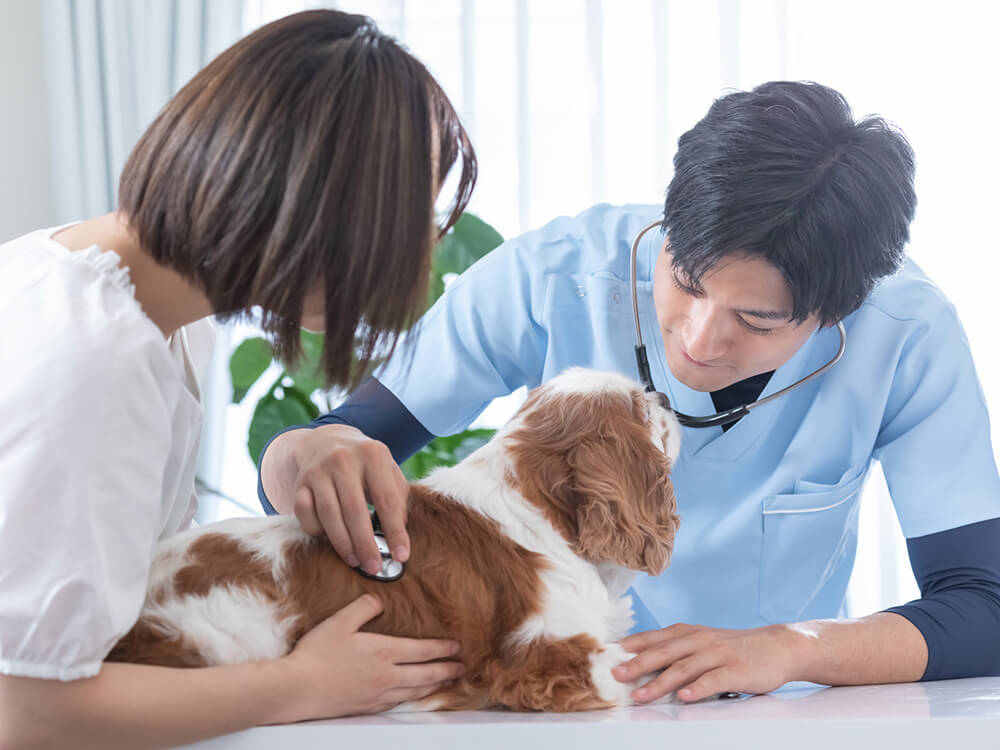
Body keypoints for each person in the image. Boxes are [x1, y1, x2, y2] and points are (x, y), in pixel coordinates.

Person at [258, 81, 1000, 703]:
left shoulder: (907, 333)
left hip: (776, 713)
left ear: (839, 310)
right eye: (685, 282)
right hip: (555, 696)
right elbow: (337, 446)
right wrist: (312, 451)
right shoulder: (551, 276)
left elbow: (982, 606)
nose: (699, 341)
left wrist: (794, 648)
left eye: (756, 319)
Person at [0, 10, 475, 748]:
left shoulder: (105, 291)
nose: (414, 256)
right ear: (323, 211)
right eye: (407, 219)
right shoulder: (97, 357)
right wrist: (304, 686)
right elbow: (27, 712)